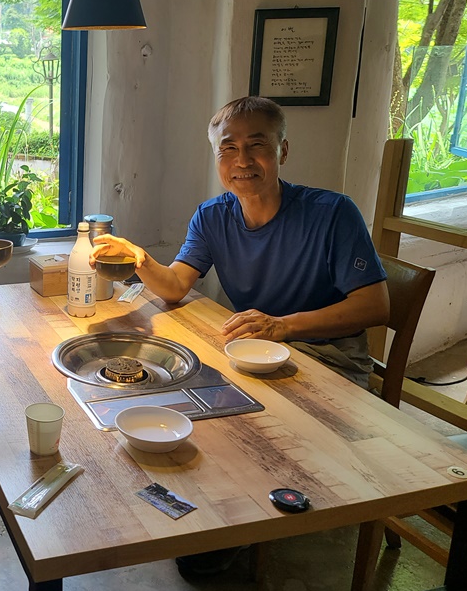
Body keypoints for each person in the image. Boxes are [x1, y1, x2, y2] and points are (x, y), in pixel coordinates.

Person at [92, 95, 389, 388]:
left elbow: (374, 306)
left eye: (257, 145)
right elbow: (176, 286)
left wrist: (282, 326)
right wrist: (140, 259)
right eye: (228, 148)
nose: (243, 161)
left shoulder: (333, 213)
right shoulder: (211, 217)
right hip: (256, 351)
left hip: (329, 357)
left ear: (283, 151)